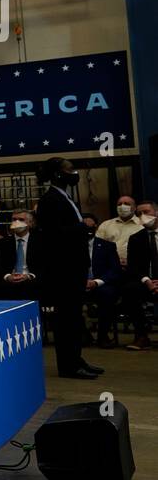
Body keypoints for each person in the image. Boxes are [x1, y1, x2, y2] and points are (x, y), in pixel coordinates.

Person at [34, 156, 102, 377]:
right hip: (63, 270)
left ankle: (76, 359)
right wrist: (82, 226)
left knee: (74, 318)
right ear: (57, 174)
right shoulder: (49, 200)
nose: (74, 173)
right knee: (65, 319)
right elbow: (54, 236)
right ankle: (68, 366)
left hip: (75, 267)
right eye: (69, 169)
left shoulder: (65, 197)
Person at [120, 200, 158, 350]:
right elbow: (133, 267)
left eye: (146, 212)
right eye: (139, 213)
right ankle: (141, 335)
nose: (142, 216)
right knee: (129, 290)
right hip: (147, 281)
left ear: (156, 213)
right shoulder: (136, 238)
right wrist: (147, 281)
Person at [82, 213, 122, 348]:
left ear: (96, 227)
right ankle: (84, 335)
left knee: (108, 294)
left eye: (90, 225)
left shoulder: (107, 246)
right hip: (78, 284)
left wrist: (96, 282)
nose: (87, 228)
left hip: (101, 284)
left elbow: (115, 270)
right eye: (84, 225)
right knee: (66, 297)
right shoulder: (70, 247)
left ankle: (102, 336)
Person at [0, 208, 40, 301]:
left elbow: (45, 267)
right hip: (9, 281)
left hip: (31, 280)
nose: (17, 222)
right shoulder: (4, 243)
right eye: (14, 219)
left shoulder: (40, 242)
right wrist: (7, 276)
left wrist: (29, 276)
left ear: (30, 223)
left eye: (21, 220)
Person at [96, 195, 142, 269]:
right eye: (119, 204)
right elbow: (98, 247)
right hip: (110, 268)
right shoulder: (106, 224)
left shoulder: (142, 224)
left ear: (135, 208)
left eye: (127, 204)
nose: (122, 206)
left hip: (136, 268)